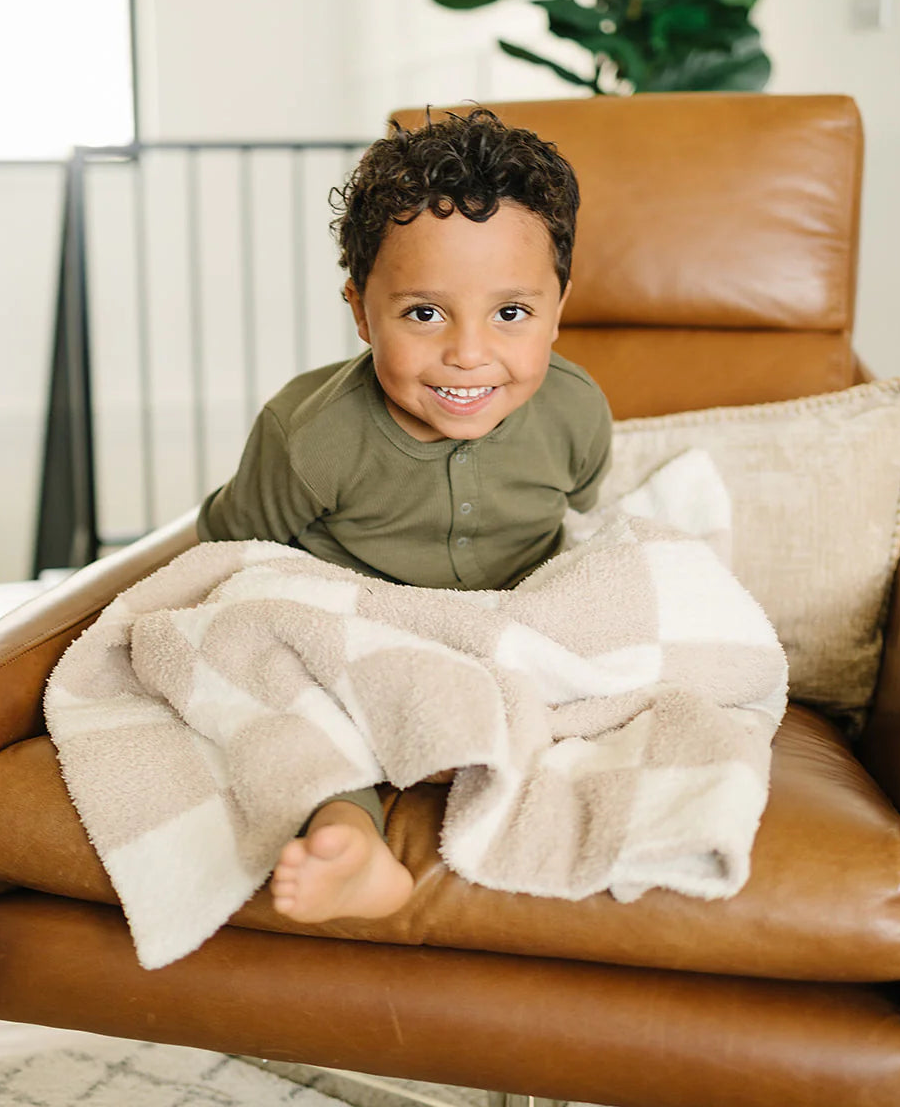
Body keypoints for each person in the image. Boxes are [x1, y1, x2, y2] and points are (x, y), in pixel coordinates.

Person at [196, 107, 612, 925]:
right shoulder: (308, 433)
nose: (466, 352)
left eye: (511, 313)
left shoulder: (575, 413)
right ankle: (348, 831)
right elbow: (231, 556)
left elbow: (595, 538)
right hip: (353, 633)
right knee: (278, 681)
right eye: (424, 314)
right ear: (361, 311)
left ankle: (539, 789)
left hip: (502, 635)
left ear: (558, 308)